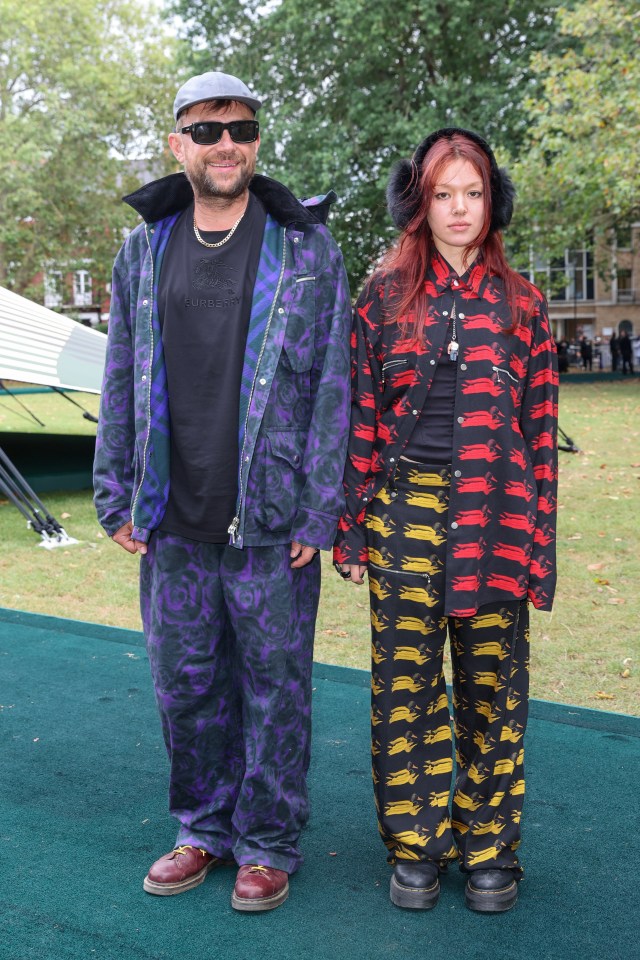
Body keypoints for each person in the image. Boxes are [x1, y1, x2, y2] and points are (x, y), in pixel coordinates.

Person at [94, 71, 351, 912]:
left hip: (273, 515)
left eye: (240, 127)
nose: (226, 143)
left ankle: (269, 841)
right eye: (206, 132)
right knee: (185, 681)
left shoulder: (304, 245)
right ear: (178, 144)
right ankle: (203, 827)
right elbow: (123, 371)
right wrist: (114, 490)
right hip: (172, 513)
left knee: (275, 684)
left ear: (256, 139)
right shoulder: (146, 246)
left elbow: (334, 387)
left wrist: (321, 505)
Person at [334, 128, 558, 913]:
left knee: (494, 690)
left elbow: (539, 436)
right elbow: (359, 415)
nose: (460, 208)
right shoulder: (382, 296)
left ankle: (491, 848)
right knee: (406, 687)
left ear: (492, 200)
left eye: (473, 192)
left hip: (497, 514)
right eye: (443, 193)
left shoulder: (526, 304)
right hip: (404, 516)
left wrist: (541, 548)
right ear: (418, 202)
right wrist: (350, 526)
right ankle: (416, 845)